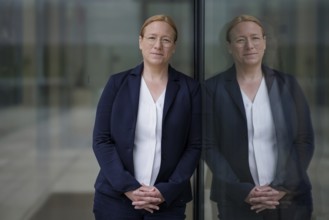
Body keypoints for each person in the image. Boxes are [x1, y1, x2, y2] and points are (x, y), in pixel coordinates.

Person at [204, 14, 314, 220]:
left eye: (255, 38)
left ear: (264, 42)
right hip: (237, 201)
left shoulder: (288, 85)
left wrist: (282, 187)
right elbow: (208, 146)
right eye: (240, 40)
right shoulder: (212, 89)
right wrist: (243, 191)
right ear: (229, 46)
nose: (249, 46)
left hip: (290, 199)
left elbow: (304, 140)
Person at [92, 14, 202, 220]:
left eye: (166, 39)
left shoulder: (190, 89)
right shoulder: (117, 84)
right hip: (116, 200)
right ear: (140, 42)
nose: (158, 45)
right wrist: (129, 188)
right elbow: (101, 140)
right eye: (151, 38)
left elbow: (194, 146)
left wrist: (165, 191)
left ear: (174, 46)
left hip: (167, 203)